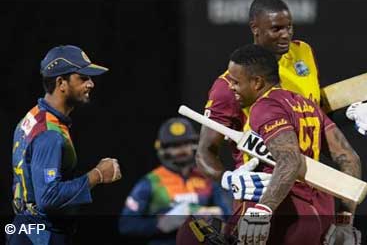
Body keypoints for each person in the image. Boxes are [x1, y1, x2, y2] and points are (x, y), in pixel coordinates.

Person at [226, 44, 362, 245]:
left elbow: (290, 160)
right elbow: (349, 158)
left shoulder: (265, 106)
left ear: (256, 82)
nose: (230, 87)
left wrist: (264, 209)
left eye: (235, 82)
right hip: (321, 215)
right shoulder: (307, 104)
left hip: (286, 215)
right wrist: (344, 220)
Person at [196, 0, 322, 204]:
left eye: (289, 27)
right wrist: (228, 179)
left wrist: (354, 113)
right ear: (255, 28)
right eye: (276, 29)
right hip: (262, 192)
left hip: (311, 187)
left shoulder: (303, 53)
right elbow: (204, 152)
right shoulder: (230, 86)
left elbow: (318, 115)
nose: (286, 35)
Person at [8, 45, 122, 245]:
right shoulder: (50, 133)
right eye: (82, 78)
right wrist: (98, 175)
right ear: (61, 83)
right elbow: (48, 198)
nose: (91, 84)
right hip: (42, 236)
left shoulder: (34, 116)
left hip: (25, 228)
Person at [119, 117, 231, 245]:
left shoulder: (207, 179)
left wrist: (216, 214)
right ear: (163, 149)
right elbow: (126, 225)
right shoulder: (150, 182)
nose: (181, 150)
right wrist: (160, 224)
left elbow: (229, 214)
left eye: (186, 143)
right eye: (175, 146)